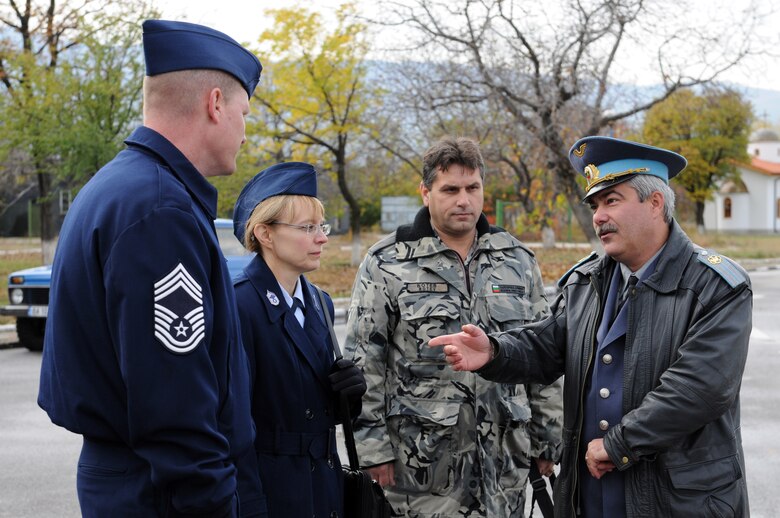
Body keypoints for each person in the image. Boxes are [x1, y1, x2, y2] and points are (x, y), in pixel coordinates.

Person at [430, 136, 752, 517]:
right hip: (593, 496)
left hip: (679, 499)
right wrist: (495, 352)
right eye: (595, 204)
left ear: (655, 203)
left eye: (612, 200)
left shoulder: (715, 285)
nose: (598, 216)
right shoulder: (587, 281)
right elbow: (548, 346)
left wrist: (618, 444)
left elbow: (700, 388)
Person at [38, 20, 265, 517]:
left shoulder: (124, 187)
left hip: (133, 479)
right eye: (244, 114)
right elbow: (173, 404)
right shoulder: (161, 210)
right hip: (161, 492)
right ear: (215, 104)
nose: (245, 134)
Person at [343, 136, 563, 517]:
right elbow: (366, 361)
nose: (464, 200)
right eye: (450, 190)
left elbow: (542, 354)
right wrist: (373, 449)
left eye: (472, 188)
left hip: (504, 461)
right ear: (426, 192)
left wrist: (548, 440)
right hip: (423, 467)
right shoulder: (388, 262)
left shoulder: (517, 260)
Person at [231, 162, 367, 517]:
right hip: (273, 492)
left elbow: (311, 408)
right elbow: (232, 425)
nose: (322, 237)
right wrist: (249, 505)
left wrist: (348, 398)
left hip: (324, 490)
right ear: (265, 234)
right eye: (307, 227)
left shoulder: (318, 302)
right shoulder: (240, 304)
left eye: (320, 226)